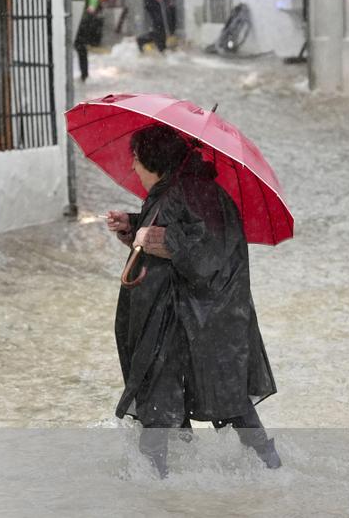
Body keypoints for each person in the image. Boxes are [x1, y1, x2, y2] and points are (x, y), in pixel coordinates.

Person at [106, 124, 280, 478]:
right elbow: (181, 229)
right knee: (213, 399)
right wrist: (134, 224)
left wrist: (160, 240)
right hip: (194, 320)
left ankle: (154, 493)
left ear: (151, 160)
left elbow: (206, 248)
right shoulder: (181, 190)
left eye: (136, 159)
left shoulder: (186, 192)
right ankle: (268, 470)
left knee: (168, 400)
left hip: (193, 320)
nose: (134, 168)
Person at [73, 0, 103, 82]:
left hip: (80, 21)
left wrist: (92, 6)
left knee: (81, 47)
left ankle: (84, 74)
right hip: (69, 20)